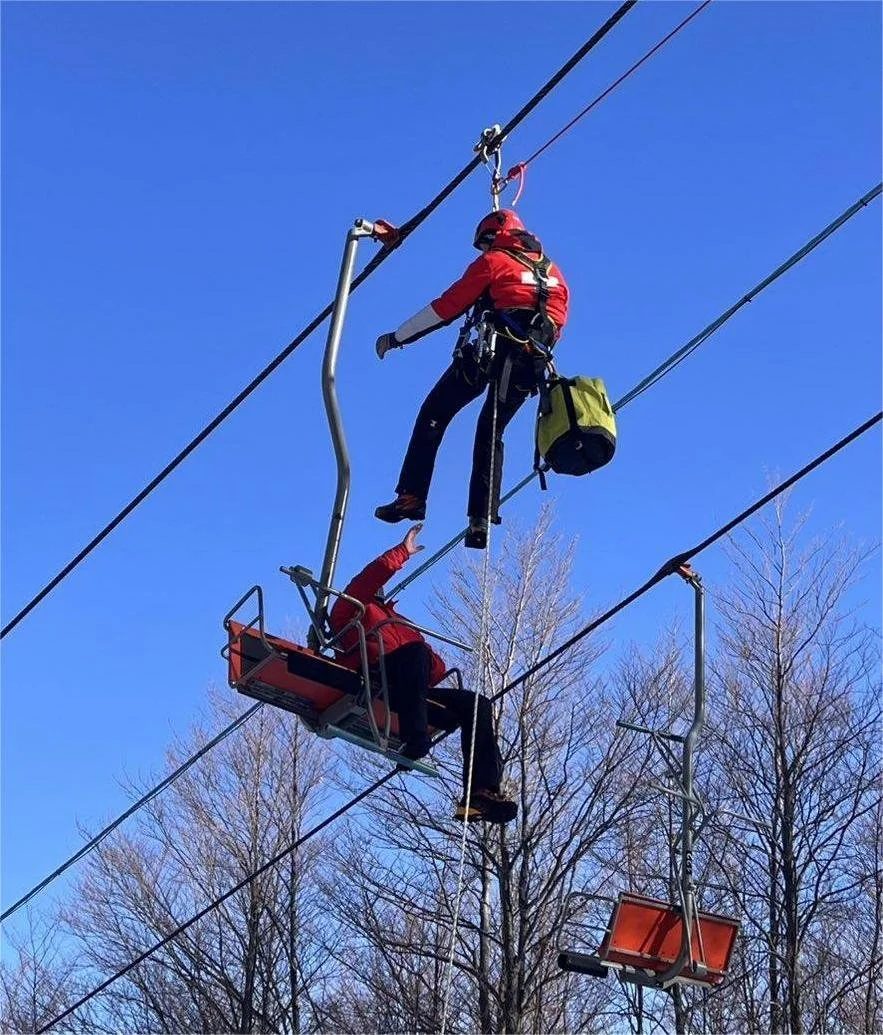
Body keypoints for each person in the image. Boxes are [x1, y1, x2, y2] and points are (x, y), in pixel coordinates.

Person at [374, 208, 570, 548]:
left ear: (494, 236)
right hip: (531, 364)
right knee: (491, 431)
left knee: (434, 413)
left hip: (489, 354)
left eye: (483, 244)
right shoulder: (554, 273)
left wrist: (398, 337)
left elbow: (446, 307)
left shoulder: (494, 262)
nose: (482, 251)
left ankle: (411, 497)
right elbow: (558, 322)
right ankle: (480, 520)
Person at [328, 524, 517, 823]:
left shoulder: (397, 619)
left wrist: (429, 663)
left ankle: (480, 792)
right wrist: (401, 553)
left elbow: (433, 667)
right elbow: (367, 580)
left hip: (412, 681)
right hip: (379, 676)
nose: (379, 588)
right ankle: (415, 738)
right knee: (415, 654)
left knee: (477, 704)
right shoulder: (349, 611)